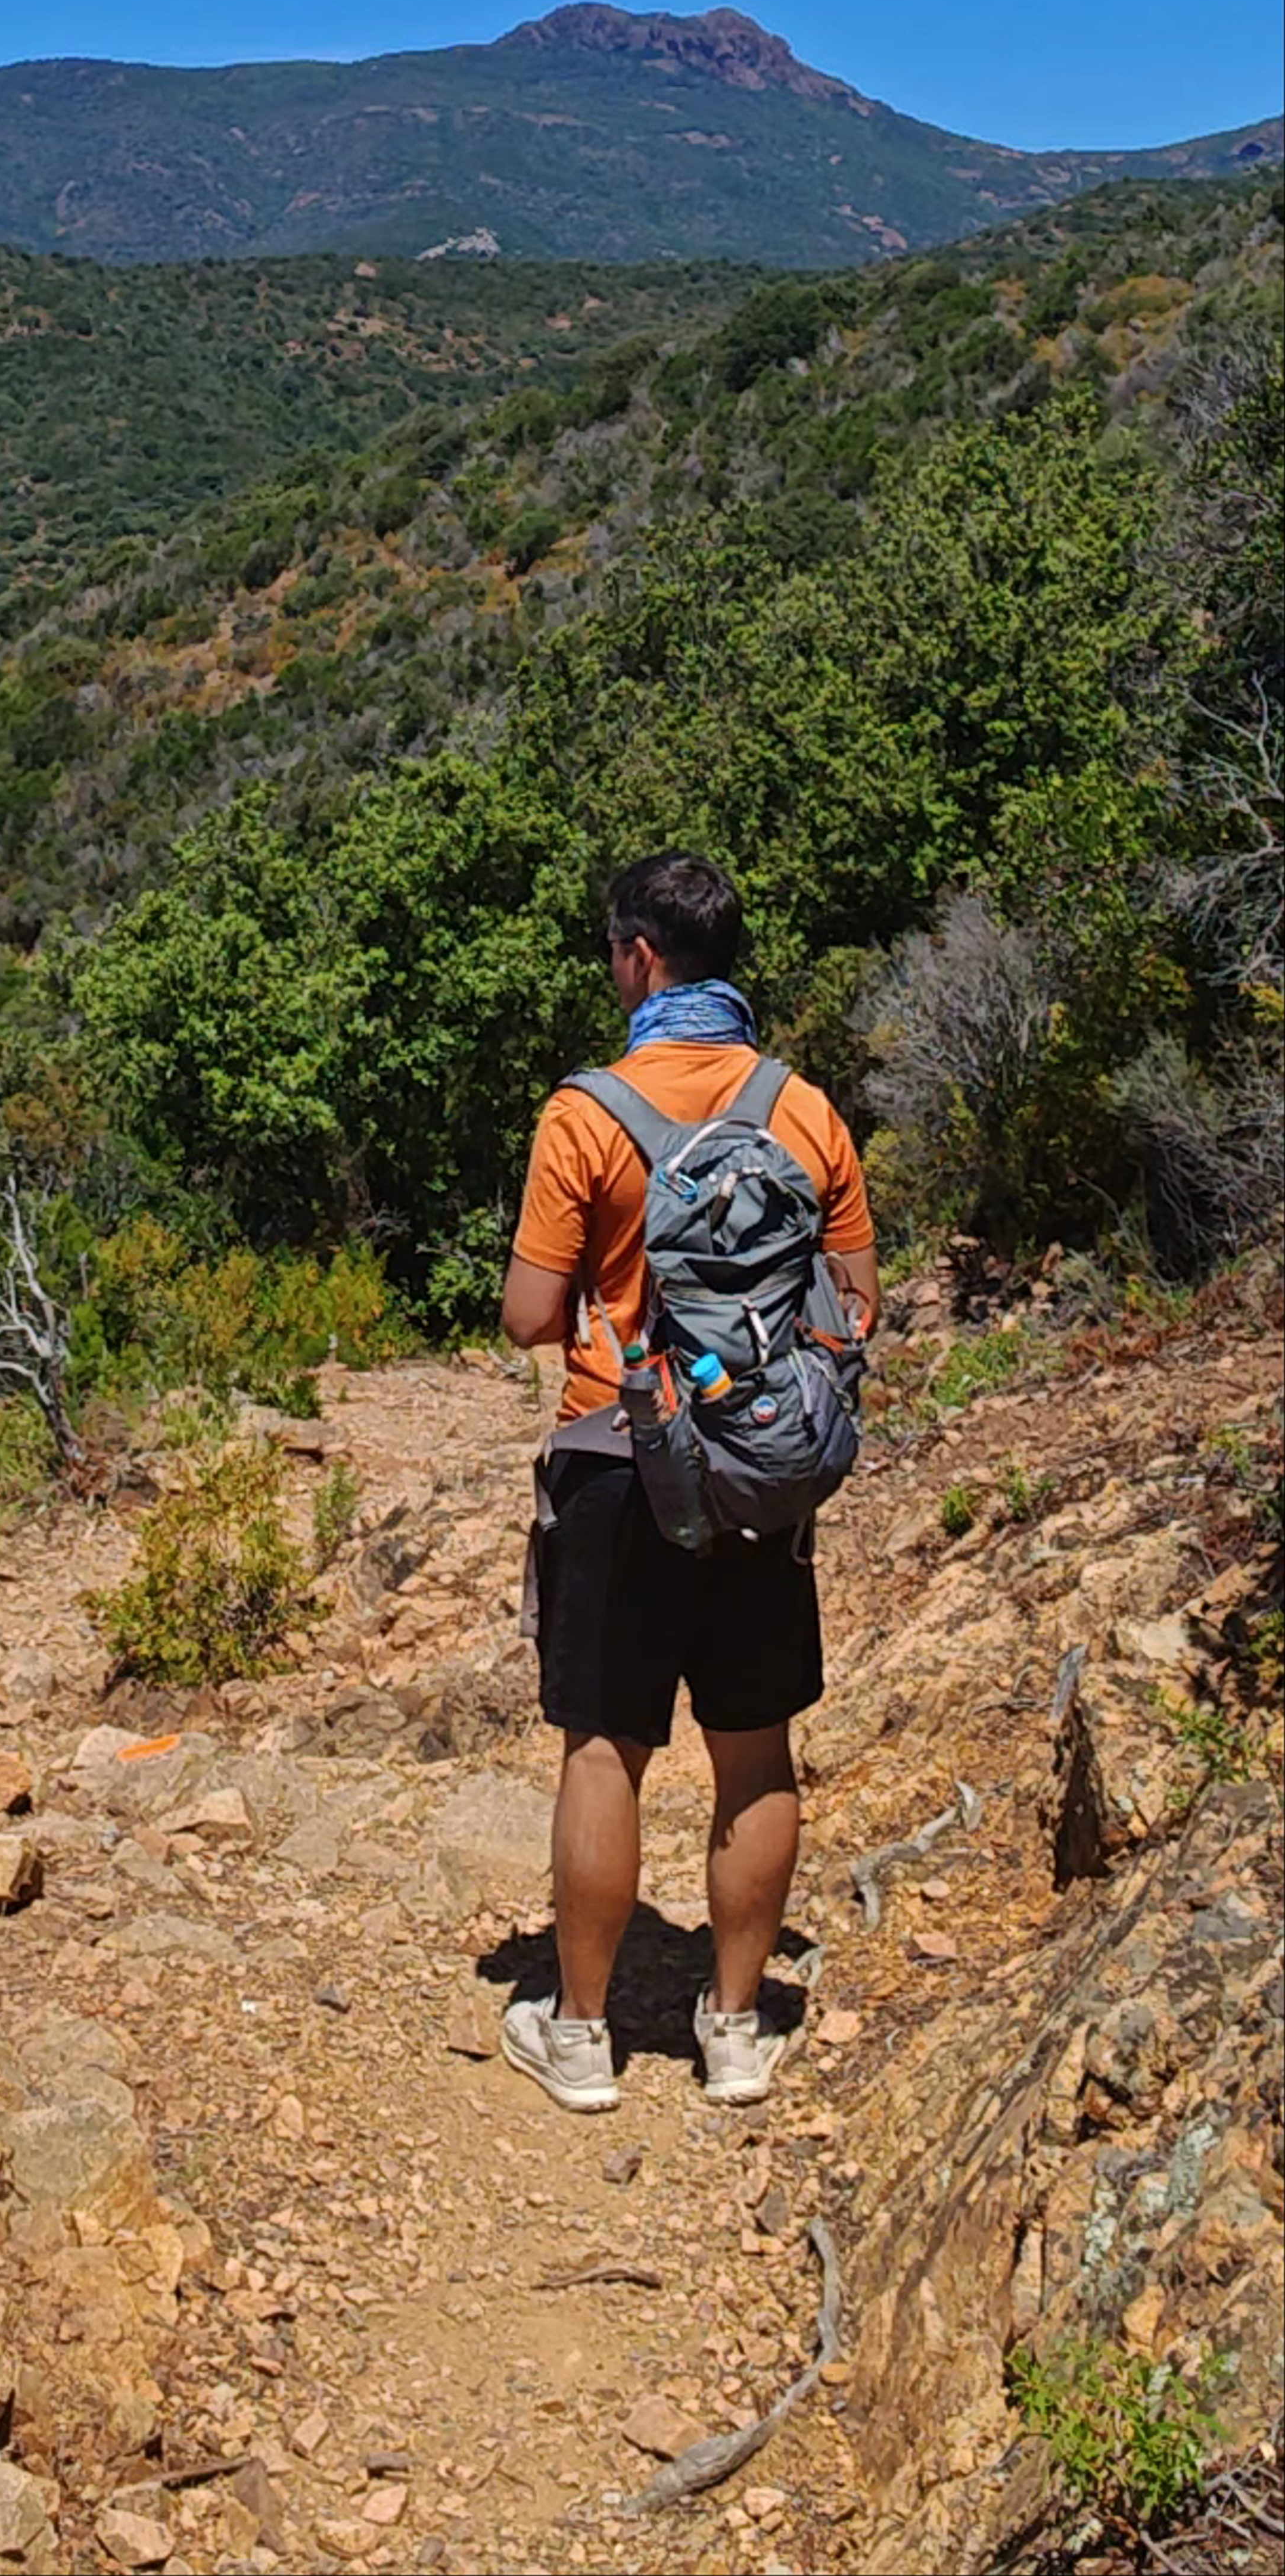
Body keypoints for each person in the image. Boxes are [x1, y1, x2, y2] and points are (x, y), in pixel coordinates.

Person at [498, 850, 879, 2111]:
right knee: (753, 1752)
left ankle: (584, 2031)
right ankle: (731, 2026)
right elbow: (858, 1303)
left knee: (606, 1745)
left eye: (614, 946)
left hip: (619, 1453)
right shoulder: (803, 1107)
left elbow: (526, 1311)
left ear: (642, 957)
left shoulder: (587, 1112)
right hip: (760, 1478)